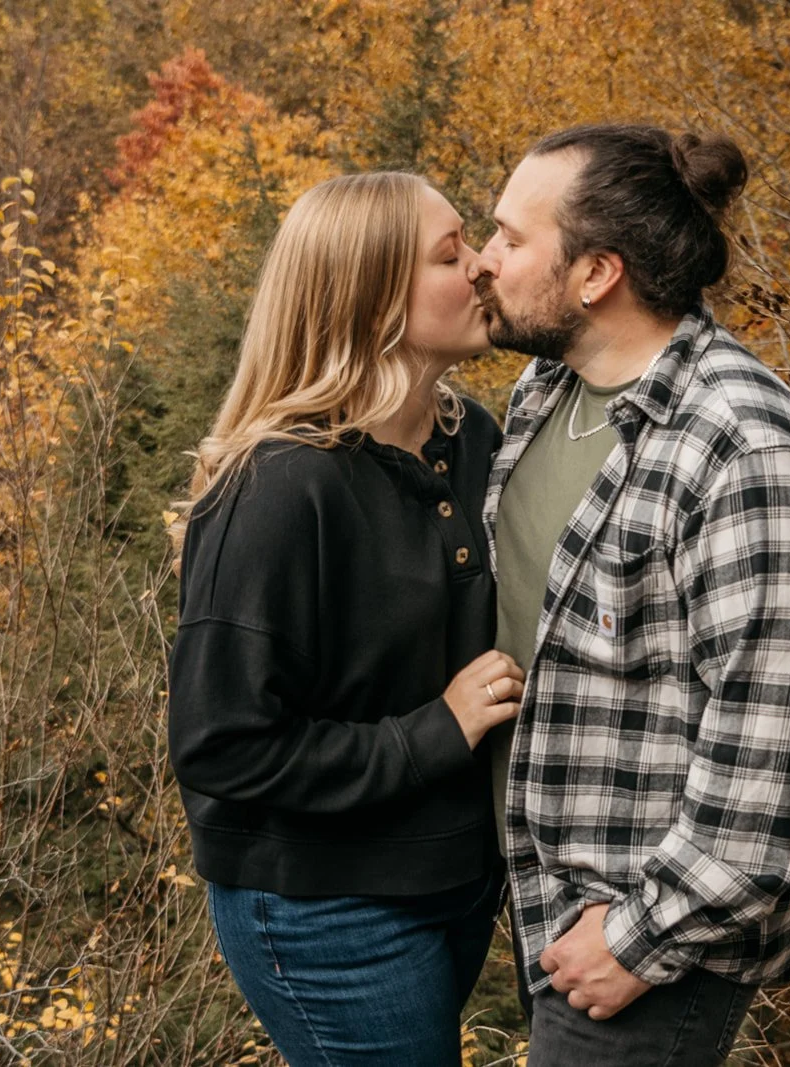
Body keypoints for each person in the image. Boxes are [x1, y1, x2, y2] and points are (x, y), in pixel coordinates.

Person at [472, 125, 790, 1066]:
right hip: (545, 896)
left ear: (596, 273)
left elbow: (775, 742)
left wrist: (643, 938)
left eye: (512, 238)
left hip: (646, 935)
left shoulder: (746, 446)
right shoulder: (542, 392)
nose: (485, 260)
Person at [166, 171, 524, 1067]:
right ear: (371, 305)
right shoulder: (282, 485)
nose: (482, 265)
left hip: (450, 880)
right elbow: (222, 745)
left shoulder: (471, 438)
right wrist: (433, 733)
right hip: (324, 903)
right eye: (450, 255)